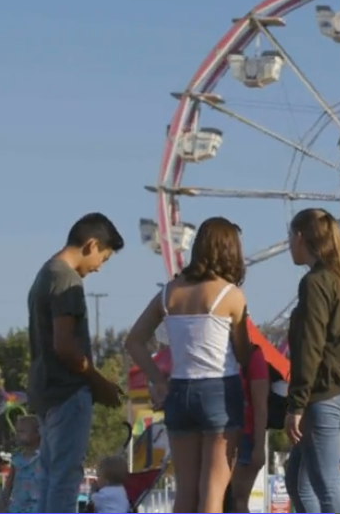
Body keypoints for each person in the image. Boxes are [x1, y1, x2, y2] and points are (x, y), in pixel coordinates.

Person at [126, 216, 251, 513]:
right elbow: (244, 354)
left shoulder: (169, 293)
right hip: (220, 389)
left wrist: (158, 380)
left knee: (185, 491)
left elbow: (134, 341)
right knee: (213, 492)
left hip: (179, 392)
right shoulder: (231, 295)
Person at [27, 212, 125, 512]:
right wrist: (100, 383)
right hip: (68, 391)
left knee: (50, 475)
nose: (98, 268)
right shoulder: (66, 279)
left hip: (46, 390)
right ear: (91, 245)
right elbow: (65, 346)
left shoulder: (45, 273)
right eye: (103, 259)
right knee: (66, 476)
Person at [284, 208, 340, 514]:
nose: (288, 245)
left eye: (289, 237)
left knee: (326, 483)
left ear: (300, 237)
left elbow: (310, 345)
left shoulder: (316, 282)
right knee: (297, 481)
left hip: (324, 395)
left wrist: (296, 404)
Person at [228, 344, 270, 513]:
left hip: (244, 439)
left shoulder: (252, 355)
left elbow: (261, 407)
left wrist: (259, 447)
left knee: (236, 501)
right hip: (217, 436)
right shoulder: (214, 352)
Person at [0, 416, 42, 513]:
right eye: (17, 431)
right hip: (17, 507)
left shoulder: (44, 458)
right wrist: (3, 500)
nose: (17, 435)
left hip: (38, 507)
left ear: (38, 433)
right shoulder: (17, 459)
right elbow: (9, 484)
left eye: (22, 432)